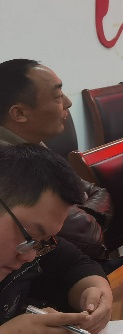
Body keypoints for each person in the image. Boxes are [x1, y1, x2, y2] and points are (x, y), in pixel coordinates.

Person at [0, 144, 113, 334]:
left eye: (42, 242)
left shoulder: (28, 249)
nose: (30, 256)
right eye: (30, 236)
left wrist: (95, 293)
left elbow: (74, 264)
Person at [0, 59, 112, 262]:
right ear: (19, 113)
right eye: (58, 96)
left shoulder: (34, 146)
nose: (68, 102)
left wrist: (83, 211)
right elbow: (88, 233)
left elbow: (97, 191)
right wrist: (87, 211)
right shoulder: (12, 167)